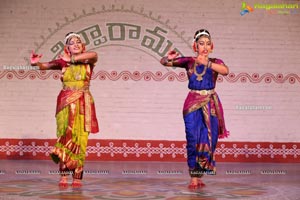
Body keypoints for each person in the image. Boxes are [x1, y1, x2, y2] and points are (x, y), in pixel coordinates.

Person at [160, 29, 229, 189]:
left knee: (208, 140)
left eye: (207, 44)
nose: (204, 47)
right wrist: (167, 58)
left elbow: (226, 71)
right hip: (192, 103)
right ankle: (193, 176)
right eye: (201, 44)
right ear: (194, 46)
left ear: (212, 46)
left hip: (210, 103)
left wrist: (207, 63)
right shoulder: (189, 61)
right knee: (193, 139)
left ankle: (199, 174)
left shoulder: (216, 61)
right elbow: (164, 62)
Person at [30, 32, 99, 188]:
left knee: (81, 139)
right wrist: (36, 64)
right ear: (67, 47)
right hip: (65, 103)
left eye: (78, 42)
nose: (75, 44)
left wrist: (72, 59)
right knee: (65, 136)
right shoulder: (62, 62)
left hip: (83, 102)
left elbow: (95, 54)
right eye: (71, 42)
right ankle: (63, 175)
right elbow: (45, 66)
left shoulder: (88, 60)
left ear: (82, 46)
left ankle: (77, 176)